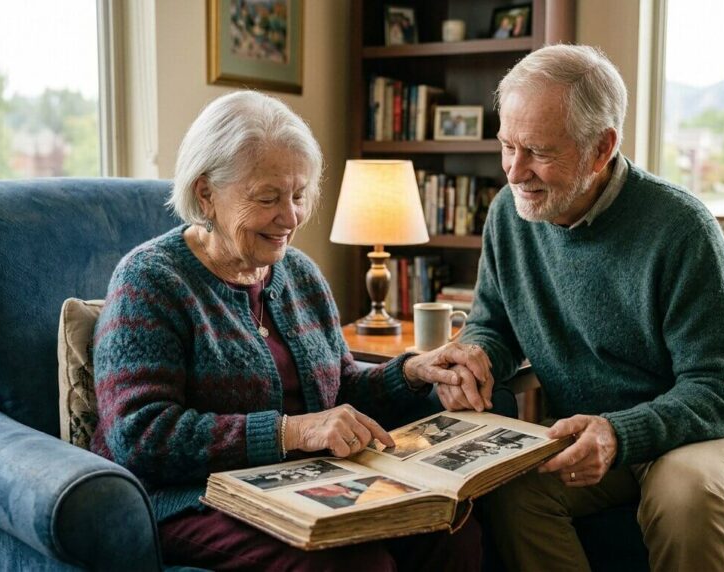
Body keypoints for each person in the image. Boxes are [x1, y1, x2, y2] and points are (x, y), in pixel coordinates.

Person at [90, 90, 492, 571]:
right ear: (206, 194)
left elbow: (340, 387)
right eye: (267, 198)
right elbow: (140, 435)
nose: (291, 217)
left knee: (451, 530)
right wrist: (290, 432)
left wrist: (413, 372)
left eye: (299, 195)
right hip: (192, 497)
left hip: (310, 485)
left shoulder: (298, 273)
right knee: (353, 566)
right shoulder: (151, 280)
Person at [435, 44, 724, 571]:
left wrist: (621, 433)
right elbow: (494, 323)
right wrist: (478, 356)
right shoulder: (509, 214)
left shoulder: (682, 228)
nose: (514, 171)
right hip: (592, 432)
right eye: (507, 146)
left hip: (708, 430)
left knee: (683, 496)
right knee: (507, 488)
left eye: (538, 152)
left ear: (601, 148)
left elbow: (722, 390)